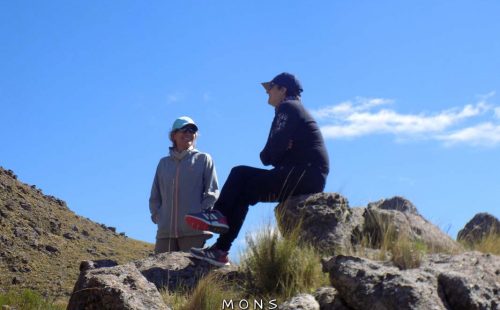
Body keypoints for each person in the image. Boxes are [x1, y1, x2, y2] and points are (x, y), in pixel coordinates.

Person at [185, 72, 329, 266]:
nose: (267, 92)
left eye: (270, 88)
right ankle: (220, 250)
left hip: (302, 174)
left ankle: (218, 215)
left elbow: (271, 152)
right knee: (243, 193)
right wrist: (278, 150)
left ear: (282, 89)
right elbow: (266, 156)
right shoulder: (292, 109)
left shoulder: (288, 107)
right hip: (305, 175)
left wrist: (277, 151)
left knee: (240, 173)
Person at [149, 116, 219, 253]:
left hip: (194, 233)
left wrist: (200, 216)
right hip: (165, 235)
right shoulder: (163, 164)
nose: (188, 134)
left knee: (194, 274)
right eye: (184, 130)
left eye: (192, 131)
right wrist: (158, 216)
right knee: (162, 274)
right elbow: (155, 196)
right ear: (174, 135)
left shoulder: (203, 159)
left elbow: (212, 193)